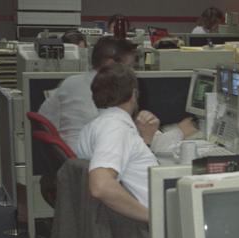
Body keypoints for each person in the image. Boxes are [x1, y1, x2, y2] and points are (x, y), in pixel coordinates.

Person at [38, 36, 196, 155]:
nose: (133, 73)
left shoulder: (71, 82)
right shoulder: (110, 93)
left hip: (77, 161)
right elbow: (136, 147)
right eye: (129, 67)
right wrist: (180, 131)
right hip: (100, 167)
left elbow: (43, 118)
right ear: (110, 64)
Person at [74, 65, 159, 223]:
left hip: (127, 222)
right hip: (147, 225)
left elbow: (129, 173)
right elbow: (100, 186)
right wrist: (154, 218)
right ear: (134, 94)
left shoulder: (94, 126)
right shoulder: (116, 129)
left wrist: (145, 140)